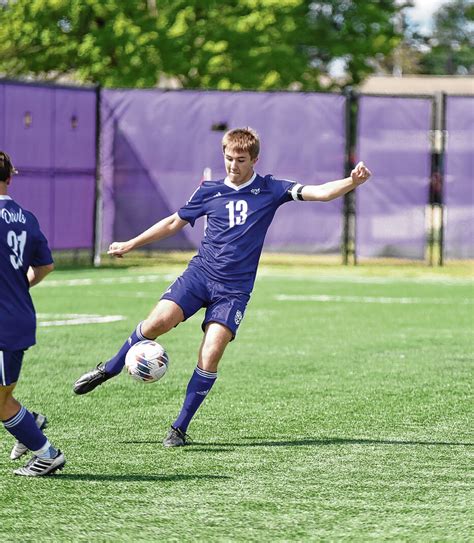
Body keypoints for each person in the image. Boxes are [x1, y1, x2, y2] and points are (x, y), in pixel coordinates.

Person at [74, 127, 371, 447]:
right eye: (229, 158)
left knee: (211, 353)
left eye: (240, 160)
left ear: (254, 159)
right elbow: (174, 222)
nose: (233, 165)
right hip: (199, 276)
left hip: (233, 291)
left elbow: (321, 192)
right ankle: (111, 368)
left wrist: (352, 182)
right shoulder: (209, 191)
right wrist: (131, 244)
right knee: (156, 322)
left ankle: (179, 428)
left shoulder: (271, 189)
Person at [0, 151, 65, 475]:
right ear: (9, 177)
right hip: (17, 316)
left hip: (2, 326)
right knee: (2, 397)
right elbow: (45, 265)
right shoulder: (26, 217)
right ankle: (30, 422)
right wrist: (17, 286)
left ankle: (47, 453)